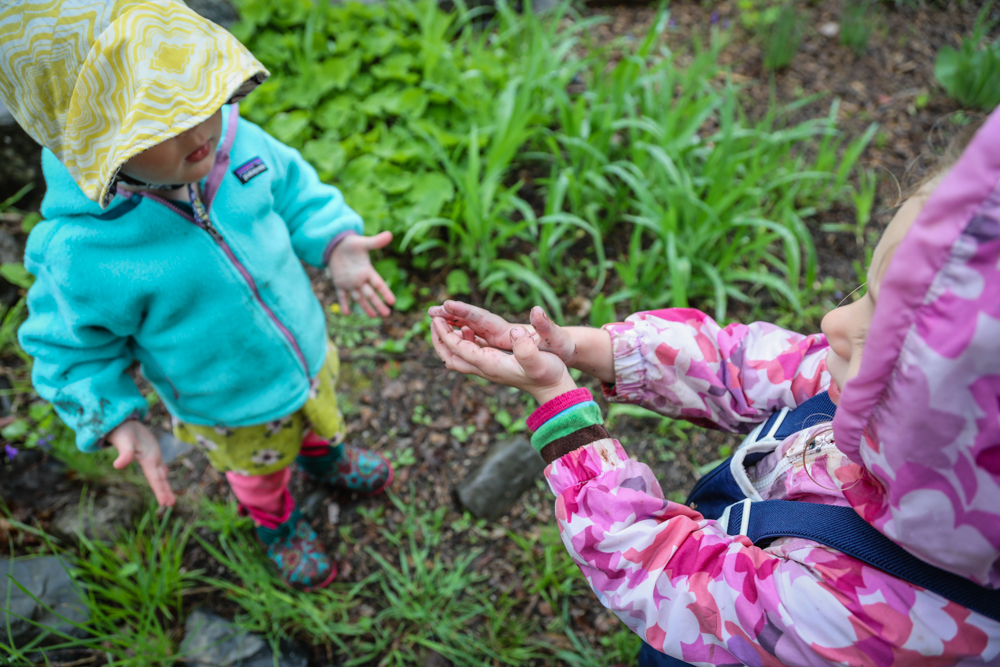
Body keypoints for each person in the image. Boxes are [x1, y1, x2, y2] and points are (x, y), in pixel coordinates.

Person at [428, 110, 1000, 664]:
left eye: (879, 324)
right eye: (864, 293)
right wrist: (584, 349)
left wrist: (560, 406)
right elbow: (742, 364)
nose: (832, 324)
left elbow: (663, 573)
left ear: (945, 422)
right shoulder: (899, 414)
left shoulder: (876, 620)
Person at [2, 0, 395, 591]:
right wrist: (114, 419)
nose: (200, 131)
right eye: (159, 123)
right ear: (91, 144)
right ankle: (276, 522)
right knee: (259, 475)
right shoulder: (83, 251)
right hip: (227, 404)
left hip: (302, 347)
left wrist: (335, 240)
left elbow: (293, 186)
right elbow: (67, 349)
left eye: (202, 97)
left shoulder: (236, 141)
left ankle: (324, 454)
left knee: (320, 413)